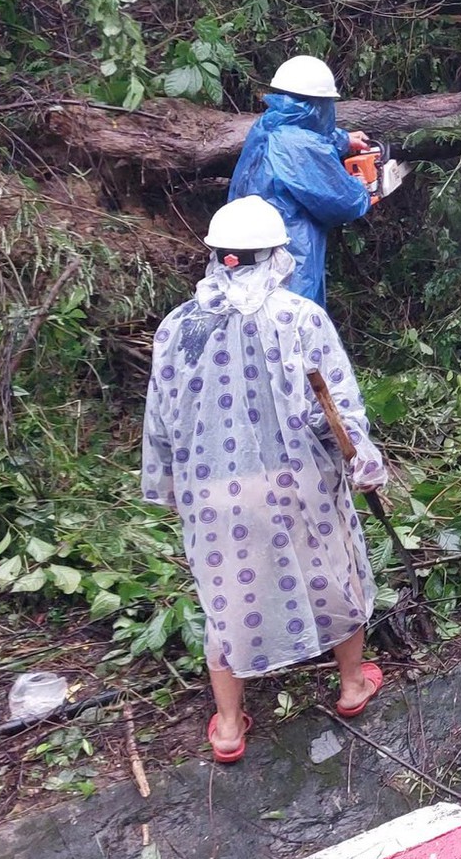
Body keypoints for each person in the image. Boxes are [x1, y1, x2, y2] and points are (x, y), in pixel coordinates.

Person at [141, 195, 388, 764]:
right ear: (275, 256)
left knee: (225, 596)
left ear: (219, 257)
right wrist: (362, 460)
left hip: (214, 492)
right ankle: (351, 685)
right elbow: (335, 410)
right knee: (332, 569)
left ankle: (229, 726)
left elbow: (161, 415)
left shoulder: (178, 328)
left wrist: (170, 487)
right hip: (295, 482)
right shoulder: (299, 318)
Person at [227, 55, 372, 308]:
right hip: (290, 251)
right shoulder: (302, 146)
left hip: (244, 242)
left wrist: (343, 140)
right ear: (321, 104)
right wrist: (363, 189)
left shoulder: (266, 125)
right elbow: (343, 203)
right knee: (295, 323)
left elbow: (307, 133)